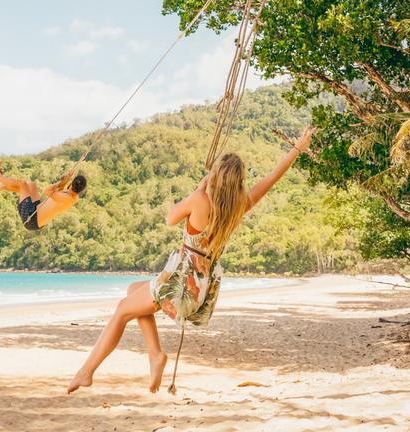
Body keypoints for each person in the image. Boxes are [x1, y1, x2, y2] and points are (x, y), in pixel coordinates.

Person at [67, 128, 315, 394]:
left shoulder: (200, 200)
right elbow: (273, 177)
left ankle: (86, 372)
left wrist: (198, 189)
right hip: (199, 288)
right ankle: (155, 356)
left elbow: (170, 218)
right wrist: (298, 148)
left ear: (215, 177)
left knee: (122, 310)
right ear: (239, 181)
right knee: (133, 291)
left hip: (180, 282)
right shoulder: (241, 204)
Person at [0, 161, 86, 230]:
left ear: (72, 184)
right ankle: (4, 187)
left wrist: (62, 181)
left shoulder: (67, 198)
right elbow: (60, 188)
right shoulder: (71, 194)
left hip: (31, 219)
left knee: (23, 184)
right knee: (31, 186)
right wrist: (65, 179)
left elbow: (47, 191)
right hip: (36, 209)